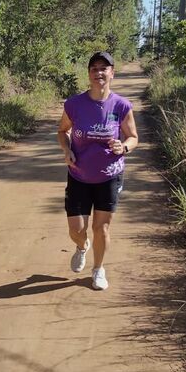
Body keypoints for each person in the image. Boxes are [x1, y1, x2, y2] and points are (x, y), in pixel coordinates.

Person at [57, 51, 138, 290]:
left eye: (104, 68)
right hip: (79, 175)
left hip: (109, 176)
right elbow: (62, 131)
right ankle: (82, 246)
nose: (99, 72)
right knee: (77, 229)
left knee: (101, 227)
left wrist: (123, 146)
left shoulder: (121, 106)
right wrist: (67, 150)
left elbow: (133, 137)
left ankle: (98, 269)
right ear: (89, 74)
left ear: (112, 73)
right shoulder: (74, 104)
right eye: (94, 68)